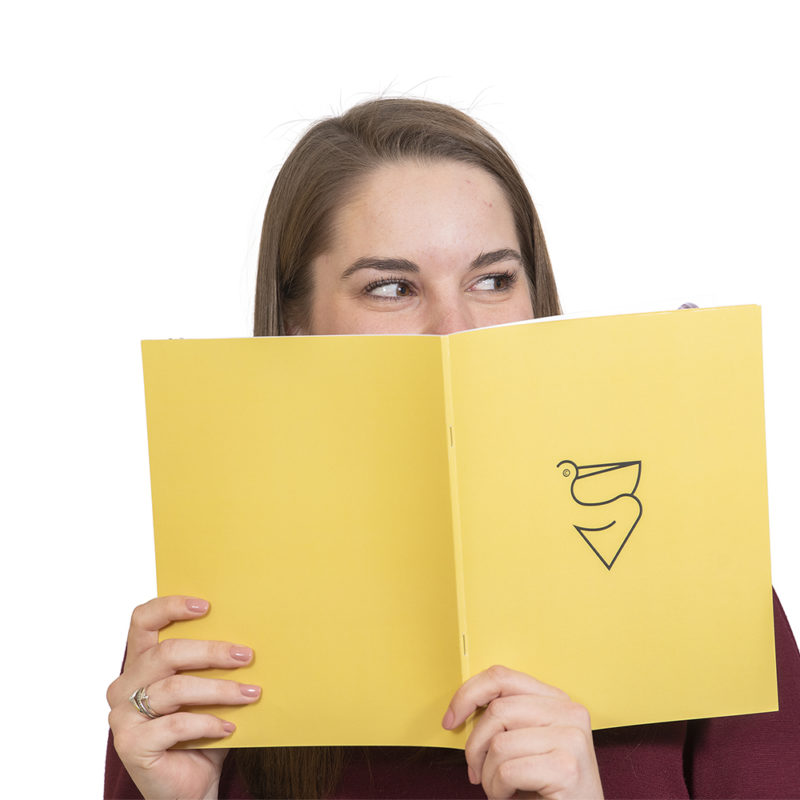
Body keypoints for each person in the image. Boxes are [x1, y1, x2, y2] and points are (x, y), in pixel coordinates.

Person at [105, 98, 800, 799]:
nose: (454, 329)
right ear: (296, 325)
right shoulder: (206, 641)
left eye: (492, 279)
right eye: (391, 288)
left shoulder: (700, 584)